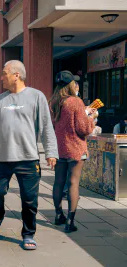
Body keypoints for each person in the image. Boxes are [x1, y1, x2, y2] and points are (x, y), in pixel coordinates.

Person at [0, 60, 58, 250]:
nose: (1, 77)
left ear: (16, 75)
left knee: (29, 200)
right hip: (2, 159)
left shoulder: (37, 97)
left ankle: (28, 234)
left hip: (28, 159)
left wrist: (51, 152)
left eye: (4, 73)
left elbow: (46, 127)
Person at [49, 70, 95, 233]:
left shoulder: (54, 101)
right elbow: (83, 129)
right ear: (70, 84)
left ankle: (58, 215)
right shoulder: (75, 102)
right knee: (73, 183)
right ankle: (70, 221)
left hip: (59, 148)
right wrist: (91, 117)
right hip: (75, 147)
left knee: (58, 182)